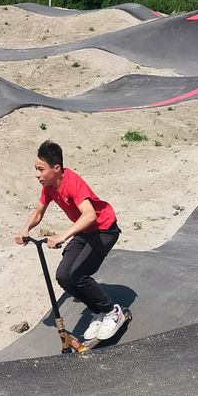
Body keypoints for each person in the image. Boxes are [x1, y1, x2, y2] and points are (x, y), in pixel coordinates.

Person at [15, 140, 127, 341]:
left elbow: (90, 215)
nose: (37, 174)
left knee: (78, 274)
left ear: (56, 169)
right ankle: (99, 312)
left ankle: (112, 311)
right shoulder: (48, 185)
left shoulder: (72, 182)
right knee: (64, 276)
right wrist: (25, 229)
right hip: (85, 231)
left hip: (104, 229)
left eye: (41, 169)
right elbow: (39, 212)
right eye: (36, 169)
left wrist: (62, 236)